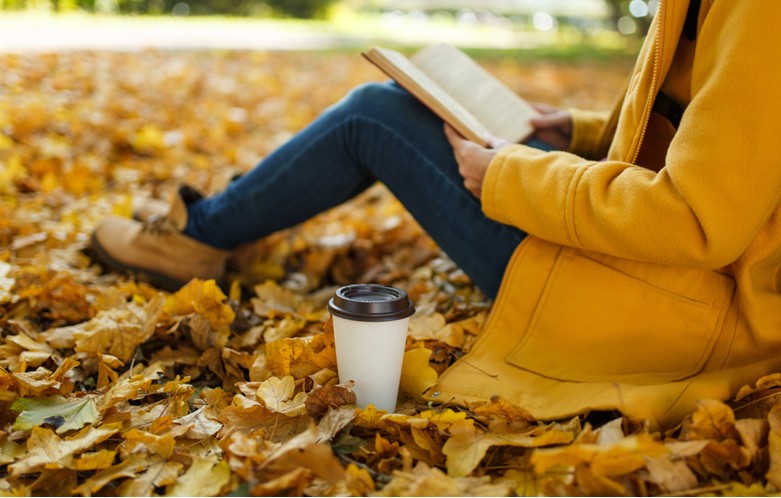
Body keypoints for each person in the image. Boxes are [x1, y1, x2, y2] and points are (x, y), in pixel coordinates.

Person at [92, 0, 781, 429]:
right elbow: (717, 137)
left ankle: (197, 239)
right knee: (420, 111)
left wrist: (508, 174)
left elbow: (694, 216)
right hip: (673, 281)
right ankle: (223, 221)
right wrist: (574, 130)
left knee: (374, 115)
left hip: (683, 313)